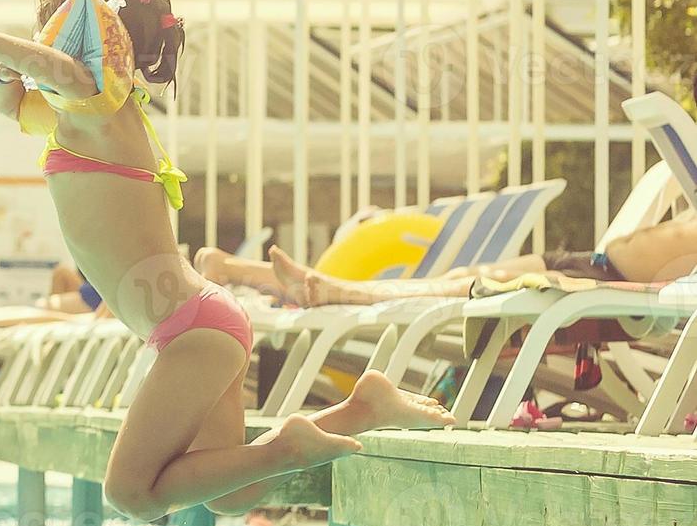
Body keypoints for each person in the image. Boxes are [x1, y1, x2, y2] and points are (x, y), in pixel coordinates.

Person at [0, 0, 452, 521]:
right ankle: (361, 409)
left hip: (193, 330)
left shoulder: (97, 114)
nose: (42, 46)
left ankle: (292, 443)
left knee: (130, 494)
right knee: (231, 492)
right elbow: (9, 103)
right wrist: (0, 65)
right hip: (200, 323)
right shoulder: (85, 118)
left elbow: (58, 72)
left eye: (52, 34)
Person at [196, 211, 697, 308]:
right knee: (463, 276)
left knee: (466, 289)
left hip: (600, 289)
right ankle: (238, 269)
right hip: (588, 264)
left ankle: (334, 291)